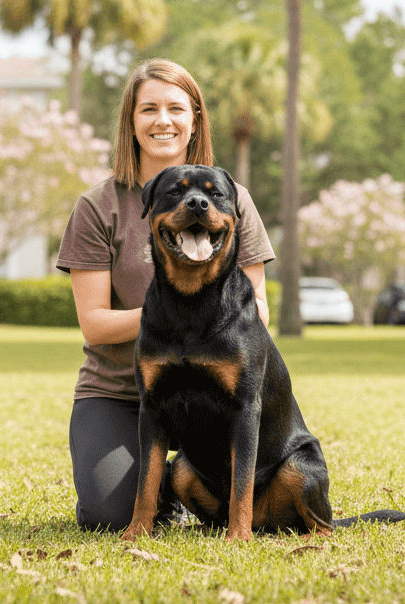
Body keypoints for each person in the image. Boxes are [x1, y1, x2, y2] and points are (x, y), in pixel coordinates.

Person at [55, 58, 276, 531]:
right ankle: (156, 489)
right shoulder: (98, 206)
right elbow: (94, 325)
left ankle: (177, 481)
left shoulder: (231, 197)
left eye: (176, 108)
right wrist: (171, 312)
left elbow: (258, 309)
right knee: (108, 517)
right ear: (130, 121)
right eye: (148, 109)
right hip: (120, 393)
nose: (163, 120)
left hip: (214, 400)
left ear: (194, 119)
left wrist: (205, 321)